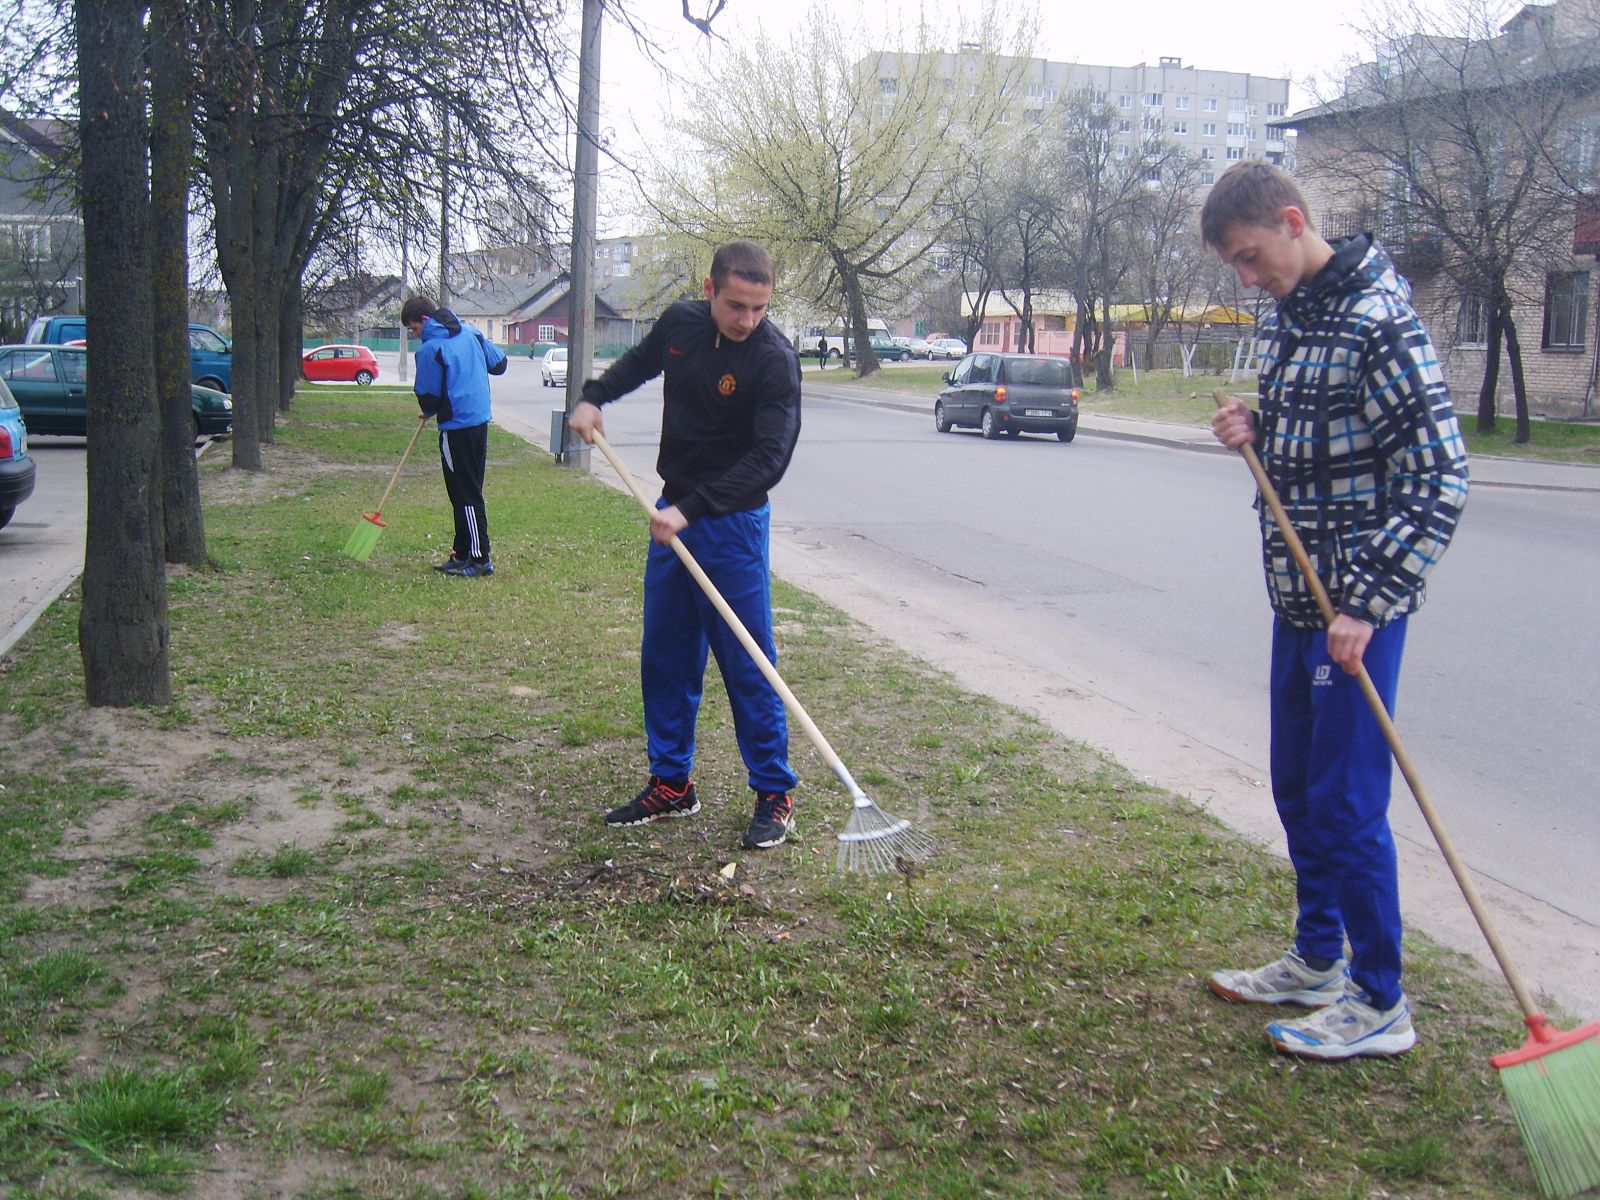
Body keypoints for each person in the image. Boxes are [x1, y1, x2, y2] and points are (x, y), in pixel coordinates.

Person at [1200, 161, 1469, 1060]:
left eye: (1250, 256)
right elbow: (1312, 436)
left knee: (1348, 805)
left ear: (1291, 220)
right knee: (1297, 789)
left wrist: (1368, 601)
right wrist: (1253, 430)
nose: (1247, 277)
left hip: (1354, 612)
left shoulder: (1380, 321)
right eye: (1234, 266)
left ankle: (1380, 1000)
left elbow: (1439, 477)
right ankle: (1317, 959)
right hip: (1296, 600)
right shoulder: (1293, 317)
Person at [568, 240, 803, 851]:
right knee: (667, 655)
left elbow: (769, 459)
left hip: (730, 523)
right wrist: (595, 395)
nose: (747, 320)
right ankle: (672, 783)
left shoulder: (774, 359)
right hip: (673, 512)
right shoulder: (682, 324)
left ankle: (774, 793)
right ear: (709, 289)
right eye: (735, 305)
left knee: (748, 661)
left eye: (758, 308)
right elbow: (642, 361)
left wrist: (691, 510)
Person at [401, 295, 507, 578]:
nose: (415, 336)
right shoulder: (471, 331)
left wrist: (430, 409)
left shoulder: (430, 350)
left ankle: (479, 557)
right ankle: (461, 552)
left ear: (424, 321)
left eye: (414, 330)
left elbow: (428, 396)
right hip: (479, 422)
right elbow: (499, 364)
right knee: (466, 491)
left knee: (465, 492)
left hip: (457, 427)